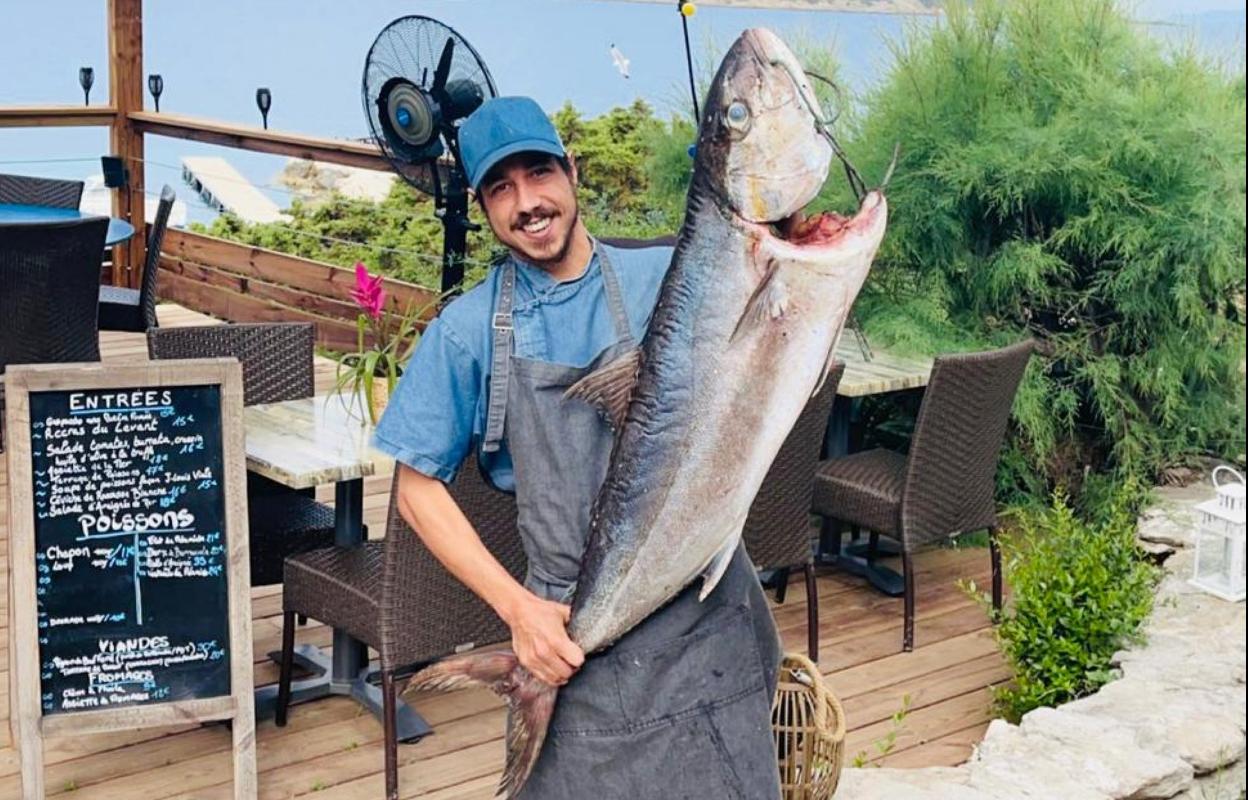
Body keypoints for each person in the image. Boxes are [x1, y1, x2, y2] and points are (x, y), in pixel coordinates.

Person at [373, 96, 782, 798]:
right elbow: (416, 488)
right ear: (481, 206)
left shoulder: (665, 281)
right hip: (573, 646)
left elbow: (770, 292)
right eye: (502, 188)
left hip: (707, 622)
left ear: (572, 170)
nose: (527, 202)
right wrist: (517, 610)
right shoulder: (468, 331)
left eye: (539, 174)